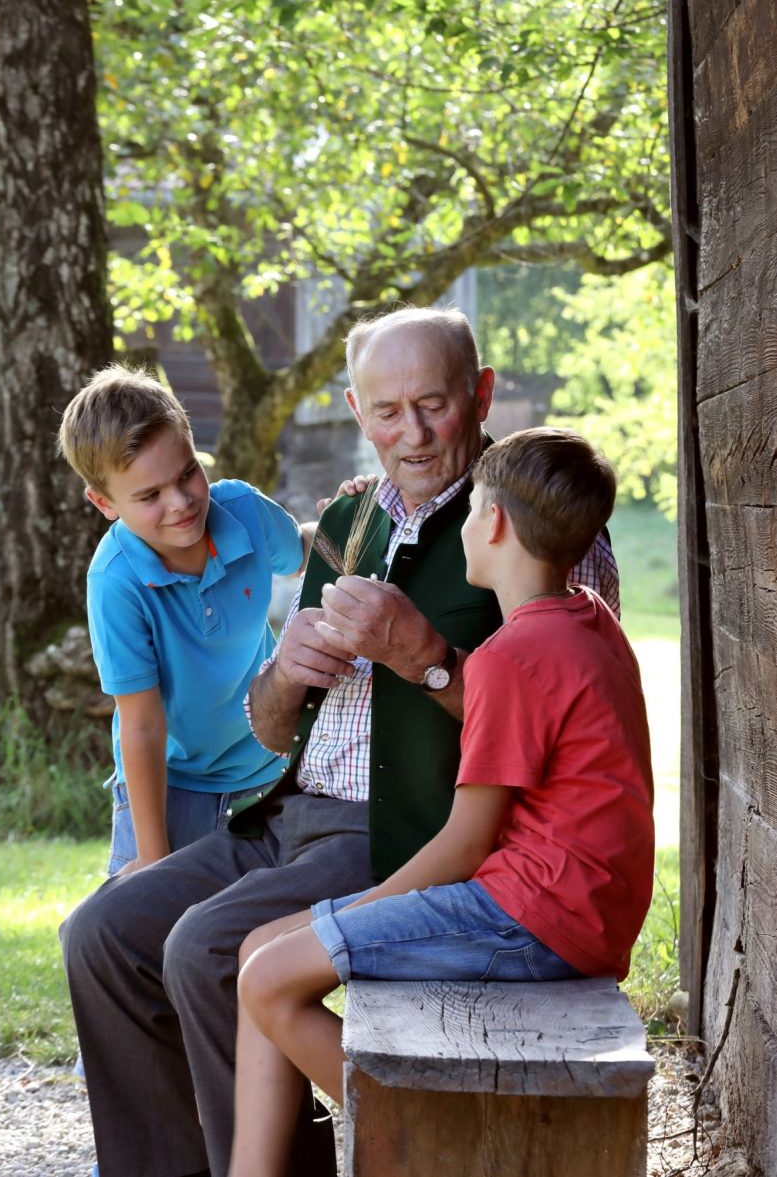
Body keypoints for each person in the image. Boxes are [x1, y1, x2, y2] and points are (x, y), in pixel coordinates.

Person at [60, 310, 620, 1177]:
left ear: (479, 394)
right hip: (284, 814)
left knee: (203, 947)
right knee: (101, 933)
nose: (414, 432)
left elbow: (564, 729)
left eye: (432, 404)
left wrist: (425, 656)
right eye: (387, 411)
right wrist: (284, 674)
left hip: (400, 830)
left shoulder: (528, 520)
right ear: (357, 411)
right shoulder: (348, 518)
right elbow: (270, 727)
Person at [228, 428, 655, 1177]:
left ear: (490, 522)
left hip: (533, 918)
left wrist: (357, 912)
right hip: (572, 907)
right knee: (259, 951)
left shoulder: (510, 656)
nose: (460, 527)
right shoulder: (588, 620)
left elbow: (465, 842)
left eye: (468, 511)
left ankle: (426, 1152)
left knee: (268, 978)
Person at [57, 365, 310, 874]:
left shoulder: (244, 510)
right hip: (168, 783)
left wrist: (347, 515)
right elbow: (143, 724)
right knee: (135, 926)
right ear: (104, 503)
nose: (181, 503)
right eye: (149, 496)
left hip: (265, 770)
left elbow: (304, 551)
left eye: (188, 473)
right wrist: (154, 858)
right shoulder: (115, 581)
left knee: (237, 934)